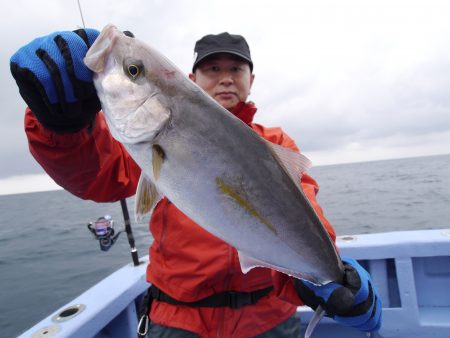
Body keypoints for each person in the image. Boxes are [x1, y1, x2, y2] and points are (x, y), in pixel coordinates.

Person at [10, 28, 381, 338]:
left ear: (251, 80)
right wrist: (61, 126)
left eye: (236, 69)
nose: (225, 77)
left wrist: (328, 278)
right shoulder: (144, 140)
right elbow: (95, 174)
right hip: (177, 320)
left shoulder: (276, 143)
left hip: (266, 320)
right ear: (190, 80)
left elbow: (302, 214)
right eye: (212, 68)